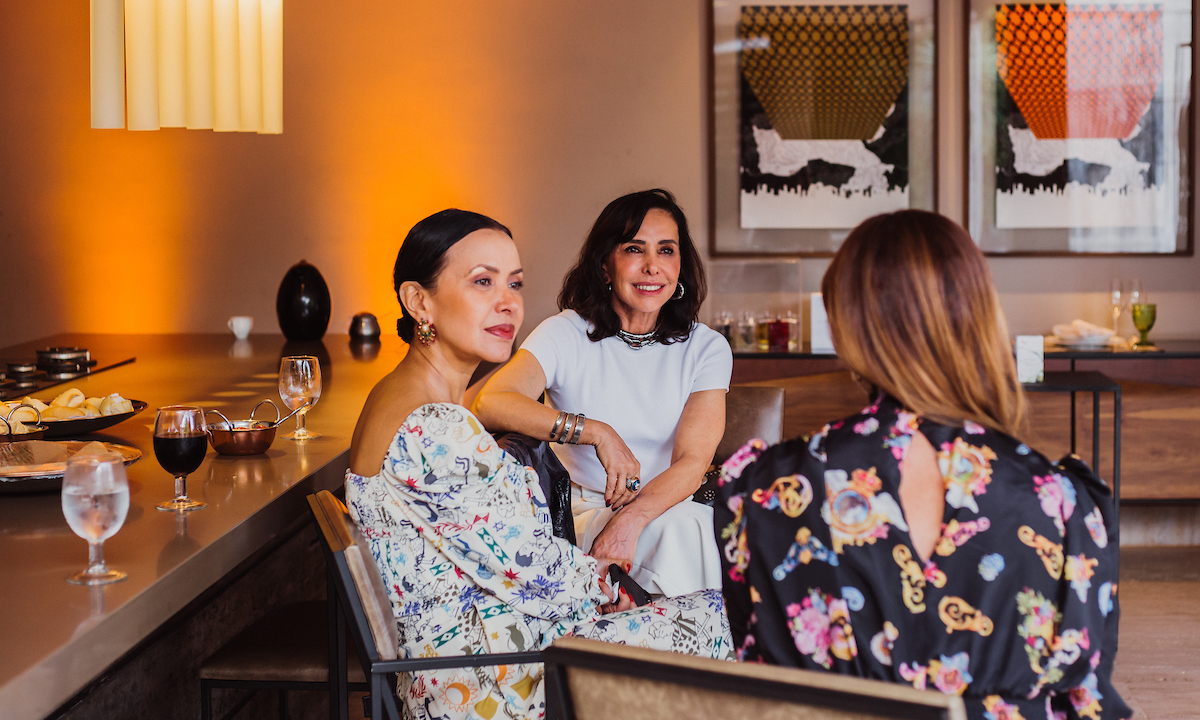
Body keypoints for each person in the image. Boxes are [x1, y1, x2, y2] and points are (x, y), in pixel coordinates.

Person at [716, 210, 1129, 720]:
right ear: (980, 321)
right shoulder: (1065, 504)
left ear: (847, 332)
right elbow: (1086, 698)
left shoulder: (759, 491)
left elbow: (756, 684)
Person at [346, 209, 732, 720]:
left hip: (492, 653)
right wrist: (610, 588)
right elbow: (538, 575)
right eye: (483, 282)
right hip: (501, 682)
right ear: (419, 300)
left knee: (706, 607)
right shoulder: (434, 427)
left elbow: (518, 563)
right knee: (730, 621)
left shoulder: (398, 400)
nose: (508, 302)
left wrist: (602, 585)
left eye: (515, 283)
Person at [473, 189, 731, 597]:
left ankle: (653, 648)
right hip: (581, 511)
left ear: (680, 266)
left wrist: (630, 521)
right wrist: (597, 432)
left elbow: (693, 460)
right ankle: (693, 650)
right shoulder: (566, 333)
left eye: (666, 251)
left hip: (667, 505)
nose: (652, 267)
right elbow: (491, 402)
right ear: (605, 266)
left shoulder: (707, 348)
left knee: (686, 526)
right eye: (634, 249)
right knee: (687, 533)